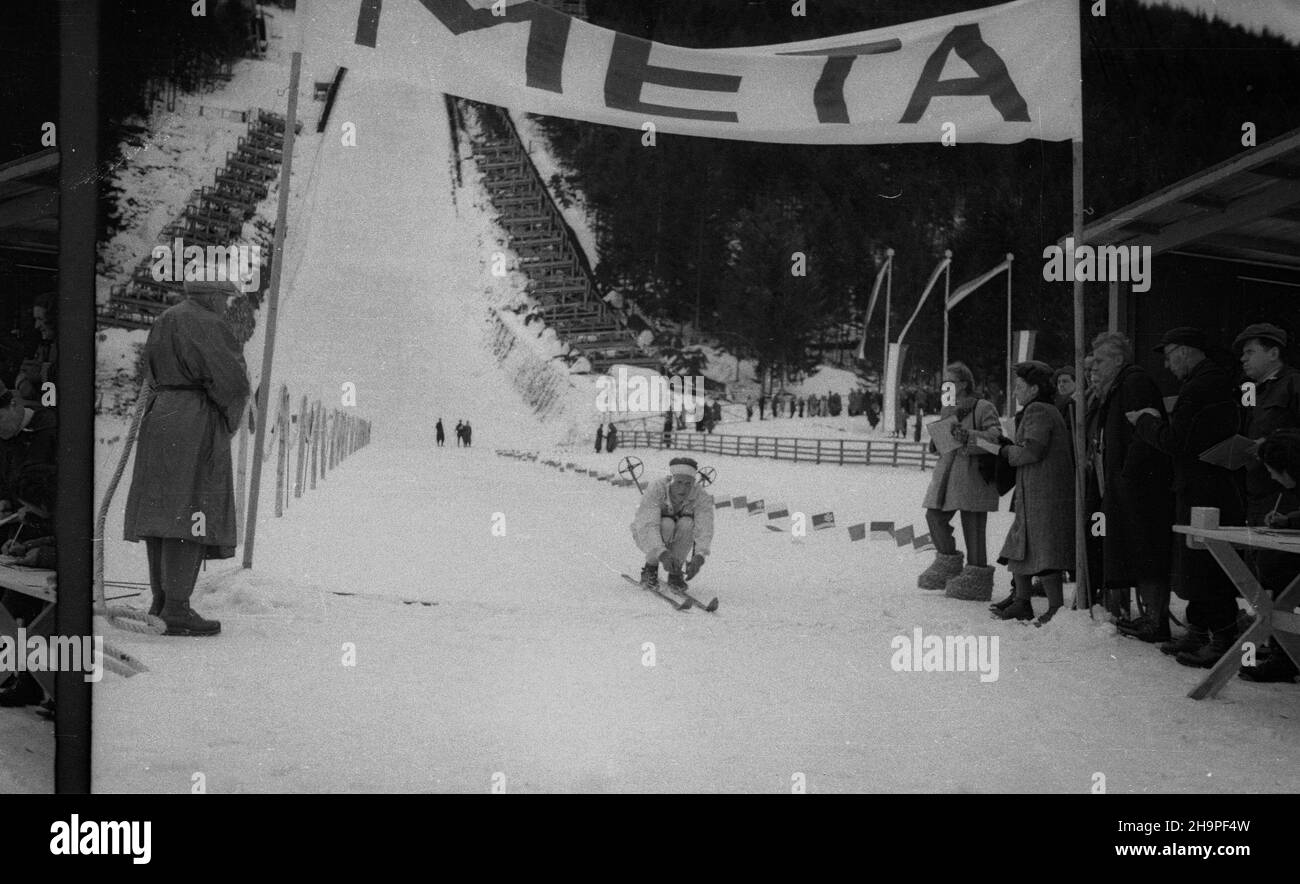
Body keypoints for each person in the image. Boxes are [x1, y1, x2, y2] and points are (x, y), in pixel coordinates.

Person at [122, 279, 250, 637]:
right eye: (224, 299)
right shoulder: (209, 323)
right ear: (211, 296)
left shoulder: (166, 318)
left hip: (160, 414)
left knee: (162, 510)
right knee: (191, 508)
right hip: (195, 418)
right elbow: (234, 383)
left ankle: (161, 601)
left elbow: (147, 368)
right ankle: (177, 607)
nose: (226, 306)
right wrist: (228, 419)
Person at [1130, 327, 1244, 667]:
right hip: (1209, 484)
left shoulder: (1198, 386)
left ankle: (1219, 634)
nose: (1167, 365)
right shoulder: (1213, 381)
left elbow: (1177, 441)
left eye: (1168, 355)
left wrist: (1146, 422)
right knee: (1201, 561)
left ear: (1185, 350)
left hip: (1201, 487)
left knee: (1206, 561)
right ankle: (1202, 629)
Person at [1086, 333, 1174, 642]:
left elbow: (1143, 432)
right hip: (1127, 483)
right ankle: (1148, 617)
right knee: (1134, 548)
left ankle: (1155, 619)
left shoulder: (1134, 383)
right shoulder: (1118, 387)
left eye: (1099, 360)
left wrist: (1127, 471)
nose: (1093, 366)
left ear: (1119, 360)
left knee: (1145, 549)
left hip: (1140, 485)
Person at [1233, 324, 1300, 682]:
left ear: (1273, 353)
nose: (1243, 359)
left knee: (1279, 570)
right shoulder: (1252, 390)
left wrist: (1275, 444)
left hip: (1287, 491)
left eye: (1250, 352)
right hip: (1258, 485)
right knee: (1260, 567)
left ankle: (1285, 656)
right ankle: (1274, 643)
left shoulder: (1293, 384)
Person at [991, 361, 1077, 624]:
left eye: (1020, 386)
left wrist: (1005, 451)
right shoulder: (1045, 409)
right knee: (1022, 545)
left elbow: (1031, 451)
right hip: (1035, 490)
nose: (1016, 392)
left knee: (1043, 548)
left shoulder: (1038, 410)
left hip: (1043, 493)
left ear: (1034, 388)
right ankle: (1022, 601)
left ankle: (1054, 607)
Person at [917, 362, 1002, 600]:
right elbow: (944, 446)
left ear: (964, 384)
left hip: (972, 476)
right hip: (946, 476)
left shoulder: (983, 407)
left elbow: (996, 442)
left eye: (950, 382)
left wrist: (970, 437)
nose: (946, 387)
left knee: (973, 527)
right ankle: (949, 563)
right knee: (933, 516)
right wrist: (939, 439)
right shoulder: (948, 408)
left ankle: (976, 580)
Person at [630, 456, 714, 592]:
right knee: (667, 524)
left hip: (679, 534)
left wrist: (700, 556)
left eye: (688, 484)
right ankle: (650, 568)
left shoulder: (700, 495)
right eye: (679, 482)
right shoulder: (657, 489)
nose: (683, 489)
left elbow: (705, 527)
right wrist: (662, 554)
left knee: (688, 523)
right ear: (671, 480)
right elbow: (648, 525)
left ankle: (675, 572)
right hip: (648, 534)